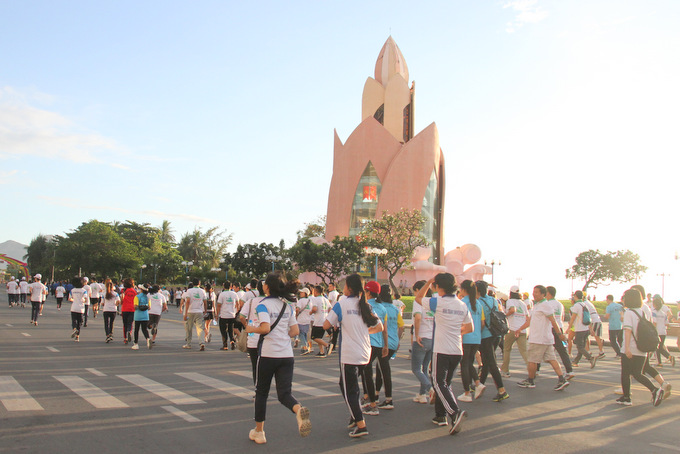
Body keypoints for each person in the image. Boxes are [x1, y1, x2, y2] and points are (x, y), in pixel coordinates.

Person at [245, 272, 311, 444]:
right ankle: (298, 410)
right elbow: (295, 331)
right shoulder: (287, 306)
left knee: (261, 393)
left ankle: (259, 432)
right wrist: (283, 336)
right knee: (284, 394)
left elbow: (265, 328)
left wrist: (251, 329)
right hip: (286, 355)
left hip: (268, 354)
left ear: (267, 287)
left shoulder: (262, 305)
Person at [323, 273, 383, 438]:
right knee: (346, 385)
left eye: (345, 285)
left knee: (350, 389)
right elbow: (379, 327)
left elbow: (326, 324)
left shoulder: (341, 304)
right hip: (365, 352)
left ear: (349, 288)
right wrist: (364, 331)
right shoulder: (365, 305)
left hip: (349, 354)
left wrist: (339, 323)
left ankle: (361, 424)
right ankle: (354, 415)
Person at [415, 273, 471, 435]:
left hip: (441, 349)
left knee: (438, 383)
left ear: (439, 287)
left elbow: (419, 298)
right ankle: (440, 416)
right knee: (445, 383)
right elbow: (469, 328)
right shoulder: (461, 305)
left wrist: (428, 282)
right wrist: (455, 331)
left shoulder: (437, 302)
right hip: (456, 349)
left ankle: (454, 412)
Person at [516, 285, 570, 391]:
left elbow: (553, 320)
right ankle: (561, 379)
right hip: (544, 338)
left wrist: (560, 334)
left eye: (536, 292)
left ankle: (530, 380)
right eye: (533, 292)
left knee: (532, 360)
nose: (534, 294)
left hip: (539, 339)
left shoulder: (545, 305)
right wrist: (520, 329)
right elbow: (530, 321)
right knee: (551, 359)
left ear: (543, 294)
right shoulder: (538, 305)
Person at [617, 289, 665, 406]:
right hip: (642, 348)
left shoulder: (629, 312)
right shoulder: (642, 312)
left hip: (631, 348)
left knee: (626, 373)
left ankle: (628, 397)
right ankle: (653, 390)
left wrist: (626, 348)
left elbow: (627, 331)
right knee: (637, 373)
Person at [477, 280, 509, 401]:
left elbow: (482, 323)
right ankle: (480, 384)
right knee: (487, 360)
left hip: (485, 335)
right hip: (496, 334)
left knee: (491, 362)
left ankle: (501, 390)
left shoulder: (478, 302)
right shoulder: (493, 300)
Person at [374, 284, 404, 410]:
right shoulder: (395, 309)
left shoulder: (379, 308)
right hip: (393, 343)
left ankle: (388, 399)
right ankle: (376, 395)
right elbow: (401, 327)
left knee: (384, 370)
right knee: (380, 368)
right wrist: (397, 340)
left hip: (382, 343)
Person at [359, 281, 387, 415]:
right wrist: (385, 345)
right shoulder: (382, 307)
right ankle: (368, 399)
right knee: (368, 372)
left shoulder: (368, 306)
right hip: (378, 344)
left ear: (368, 292)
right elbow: (384, 328)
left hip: (369, 342)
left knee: (367, 374)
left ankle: (372, 403)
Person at [458, 280, 484, 402]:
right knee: (469, 363)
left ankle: (467, 392)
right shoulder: (478, 304)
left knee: (464, 364)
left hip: (465, 337)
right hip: (477, 338)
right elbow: (482, 323)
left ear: (464, 289)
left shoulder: (462, 303)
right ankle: (478, 384)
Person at [411, 280, 434, 403]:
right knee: (424, 368)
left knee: (416, 369)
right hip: (432, 339)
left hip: (422, 338)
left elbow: (418, 318)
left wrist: (417, 334)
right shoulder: (432, 302)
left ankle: (430, 389)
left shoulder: (418, 301)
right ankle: (422, 395)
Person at [544, 286, 574, 380]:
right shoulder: (559, 304)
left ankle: (535, 370)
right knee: (562, 351)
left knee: (540, 348)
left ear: (548, 293)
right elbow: (562, 318)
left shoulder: (547, 304)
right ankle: (569, 370)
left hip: (551, 329)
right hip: (559, 328)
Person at [239, 280, 266, 385]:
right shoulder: (273, 302)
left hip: (253, 339)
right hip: (268, 340)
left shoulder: (250, 301)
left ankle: (257, 390)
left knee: (256, 367)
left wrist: (246, 326)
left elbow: (242, 316)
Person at [500, 286, 528, 377]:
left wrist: (505, 316)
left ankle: (505, 370)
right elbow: (527, 317)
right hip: (522, 330)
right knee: (524, 351)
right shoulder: (523, 303)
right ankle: (532, 368)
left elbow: (512, 310)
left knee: (507, 349)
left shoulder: (510, 301)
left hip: (512, 329)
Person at [567, 291, 598, 368]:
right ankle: (575, 361)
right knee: (581, 347)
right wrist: (591, 329)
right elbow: (589, 318)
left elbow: (573, 317)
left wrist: (569, 327)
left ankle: (591, 358)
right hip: (586, 328)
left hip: (579, 329)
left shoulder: (576, 306)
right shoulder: (585, 305)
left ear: (575, 296)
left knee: (580, 347)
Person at [183, 278, 207, 350]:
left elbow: (187, 302)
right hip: (199, 311)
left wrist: (186, 313)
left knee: (189, 328)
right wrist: (205, 310)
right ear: (199, 283)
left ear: (192, 284)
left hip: (190, 311)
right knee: (200, 328)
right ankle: (202, 343)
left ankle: (188, 344)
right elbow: (205, 302)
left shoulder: (189, 291)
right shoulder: (203, 291)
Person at [652, 294, 675, 367]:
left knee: (658, 348)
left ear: (655, 305)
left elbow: (654, 323)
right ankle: (667, 358)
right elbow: (666, 324)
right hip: (663, 332)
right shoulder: (664, 314)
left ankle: (662, 361)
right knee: (660, 347)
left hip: (657, 332)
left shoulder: (654, 312)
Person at [216, 281, 239, 350]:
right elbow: (238, 304)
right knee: (230, 329)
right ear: (231, 287)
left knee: (223, 330)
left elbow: (219, 305)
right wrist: (236, 311)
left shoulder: (222, 294)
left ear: (223, 286)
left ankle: (225, 345)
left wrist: (217, 314)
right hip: (232, 315)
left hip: (223, 315)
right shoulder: (234, 294)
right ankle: (232, 341)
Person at [310, 285, 330, 357]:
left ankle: (327, 345)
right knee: (319, 337)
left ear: (315, 291)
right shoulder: (326, 299)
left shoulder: (315, 299)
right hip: (324, 320)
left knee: (314, 337)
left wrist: (311, 312)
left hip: (318, 321)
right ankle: (322, 352)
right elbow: (330, 309)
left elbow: (314, 309)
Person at [131, 284, 152, 350]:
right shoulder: (147, 297)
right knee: (144, 329)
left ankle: (136, 344)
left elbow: (135, 306)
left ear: (141, 289)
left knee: (136, 330)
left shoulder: (137, 297)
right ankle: (148, 339)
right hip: (145, 316)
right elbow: (149, 307)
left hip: (138, 315)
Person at [69, 277, 88, 342]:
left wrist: (74, 300)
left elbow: (70, 299)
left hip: (74, 307)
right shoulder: (84, 291)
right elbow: (85, 299)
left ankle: (74, 329)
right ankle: (77, 336)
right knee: (79, 323)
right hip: (81, 308)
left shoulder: (72, 290)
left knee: (74, 320)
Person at [295, 287, 313, 355]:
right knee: (305, 334)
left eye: (301, 292)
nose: (300, 293)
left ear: (305, 293)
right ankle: (305, 346)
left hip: (301, 320)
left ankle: (305, 347)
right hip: (307, 320)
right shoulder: (310, 301)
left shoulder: (301, 301)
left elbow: (297, 309)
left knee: (301, 334)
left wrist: (296, 315)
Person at [120, 279, 137, 344]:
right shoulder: (134, 291)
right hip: (132, 309)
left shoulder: (123, 291)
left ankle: (125, 338)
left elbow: (121, 301)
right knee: (130, 323)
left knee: (125, 324)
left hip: (124, 309)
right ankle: (129, 331)